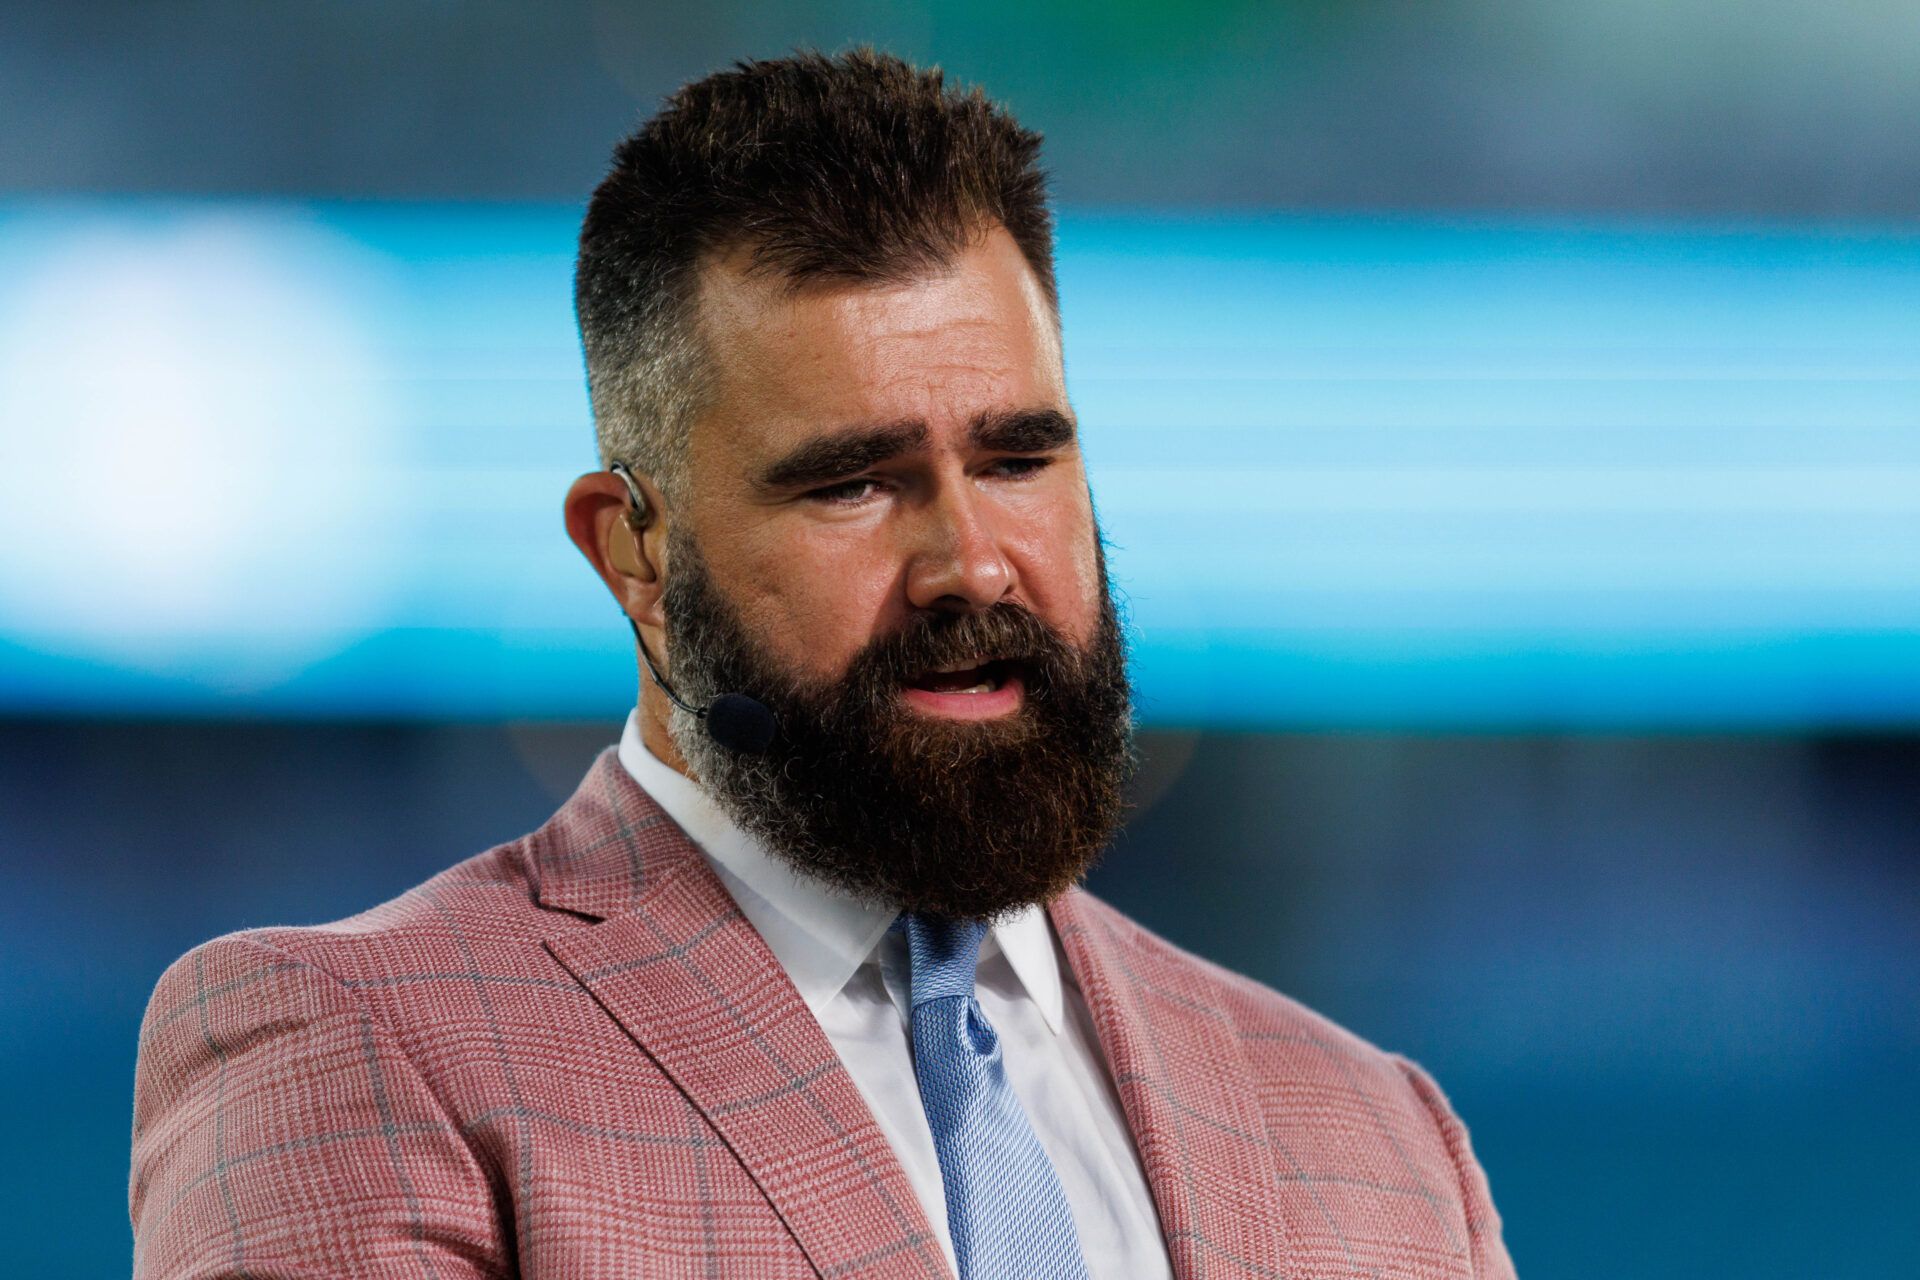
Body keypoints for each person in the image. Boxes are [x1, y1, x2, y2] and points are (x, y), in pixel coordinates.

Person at [130, 49, 1514, 1280]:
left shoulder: (1377, 1135)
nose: (970, 563)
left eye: (1019, 458)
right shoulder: (353, 1053)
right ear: (635, 556)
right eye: (854, 483)